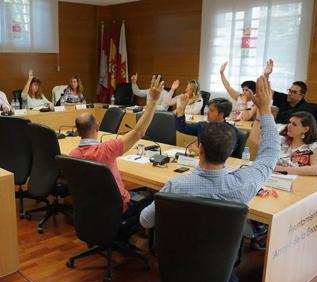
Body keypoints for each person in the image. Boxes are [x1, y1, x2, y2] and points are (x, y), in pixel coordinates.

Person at [140, 74, 281, 230]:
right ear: (229, 152)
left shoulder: (177, 186)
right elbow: (270, 154)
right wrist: (265, 110)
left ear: (200, 149)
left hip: (176, 250)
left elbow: (146, 221)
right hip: (223, 252)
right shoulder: (245, 183)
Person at [70, 75, 164, 230]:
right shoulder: (106, 150)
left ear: (77, 133)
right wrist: (153, 102)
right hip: (118, 207)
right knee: (157, 197)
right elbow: (138, 132)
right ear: (98, 127)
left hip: (92, 205)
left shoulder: (72, 154)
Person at [250, 110, 317, 175]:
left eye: (294, 124)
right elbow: (255, 139)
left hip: (299, 183)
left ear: (305, 129)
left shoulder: (315, 146)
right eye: (290, 122)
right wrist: (258, 118)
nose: (289, 126)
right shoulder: (281, 140)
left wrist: (281, 169)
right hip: (275, 178)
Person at [175, 96, 240, 156]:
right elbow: (182, 127)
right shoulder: (203, 126)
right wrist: (182, 108)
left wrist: (199, 152)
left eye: (211, 110)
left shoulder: (231, 131)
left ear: (221, 114)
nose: (207, 112)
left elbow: (225, 155)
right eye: (208, 109)